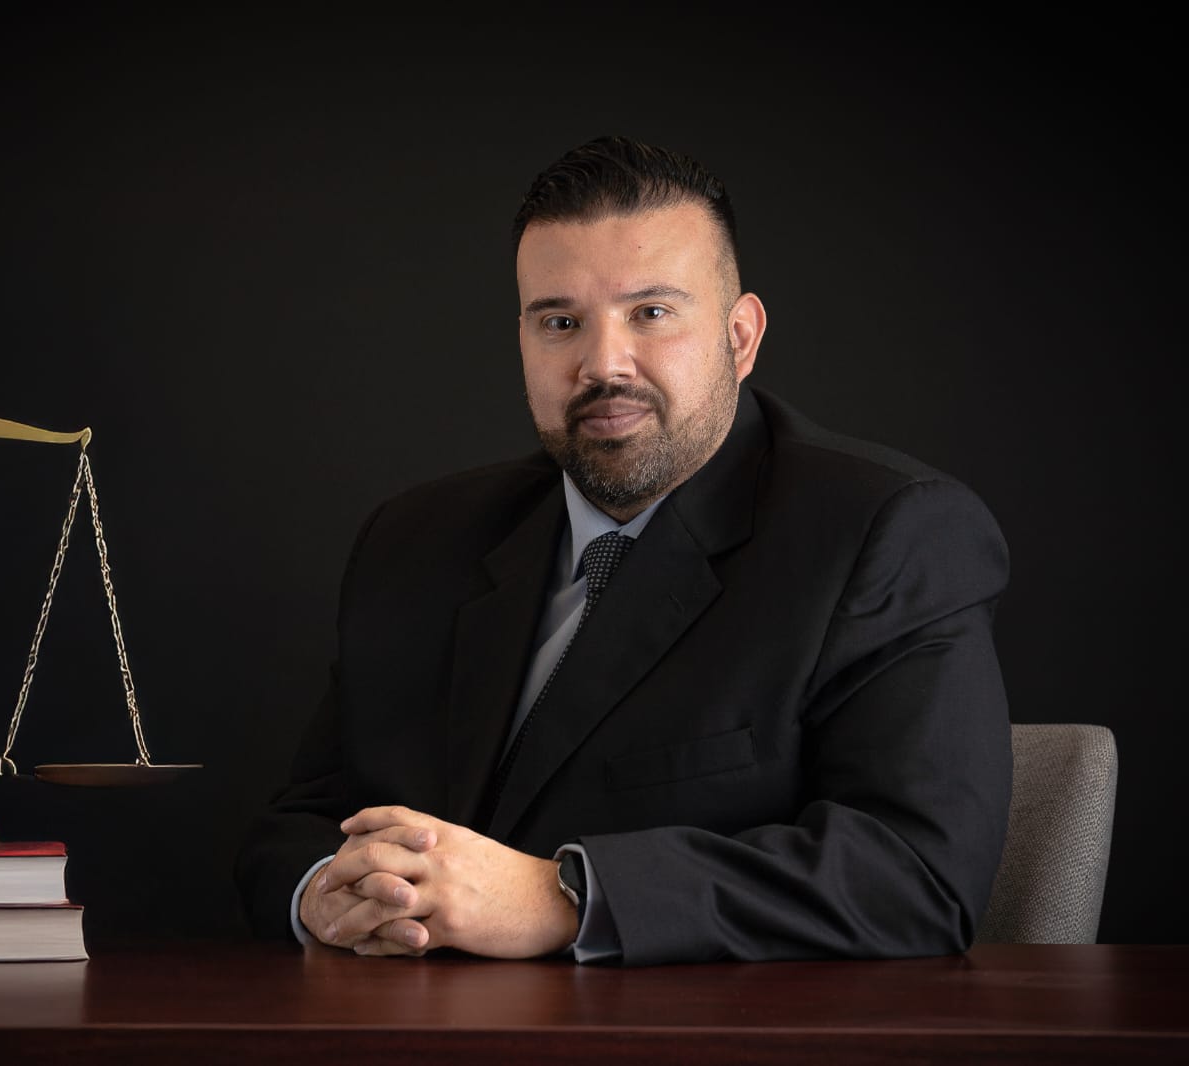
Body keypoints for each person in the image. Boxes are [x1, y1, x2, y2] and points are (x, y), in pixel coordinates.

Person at [234, 135, 1012, 965]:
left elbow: (915, 876)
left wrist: (562, 897)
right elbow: (304, 820)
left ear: (741, 336)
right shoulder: (414, 539)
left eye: (652, 313)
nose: (603, 365)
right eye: (560, 323)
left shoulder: (887, 532)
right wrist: (323, 891)